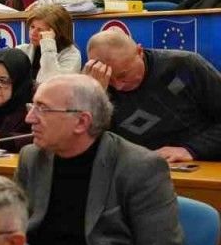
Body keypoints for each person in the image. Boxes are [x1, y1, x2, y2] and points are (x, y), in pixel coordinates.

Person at [17, 74, 183, 245]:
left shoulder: (140, 167)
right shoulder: (31, 158)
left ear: (81, 122)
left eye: (42, 109)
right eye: (32, 106)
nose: (29, 118)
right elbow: (14, 233)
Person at [85, 29, 221, 162]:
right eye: (110, 79)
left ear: (139, 52)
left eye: (123, 75)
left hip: (199, 162)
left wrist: (190, 150)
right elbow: (86, 145)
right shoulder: (96, 83)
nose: (119, 86)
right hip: (137, 168)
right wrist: (94, 95)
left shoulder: (184, 66)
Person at [14, 4, 81, 82]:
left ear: (57, 33)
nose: (33, 33)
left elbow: (51, 82)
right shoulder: (21, 50)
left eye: (40, 30)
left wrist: (48, 44)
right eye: (32, 27)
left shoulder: (72, 55)